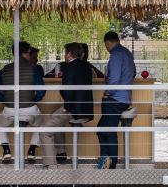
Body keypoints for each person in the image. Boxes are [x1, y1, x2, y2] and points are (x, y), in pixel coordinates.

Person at [39, 43, 95, 169]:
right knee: (55, 115)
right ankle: (61, 152)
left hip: (73, 109)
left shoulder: (69, 67)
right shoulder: (87, 66)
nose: (64, 55)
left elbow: (68, 89)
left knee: (44, 132)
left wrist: (67, 105)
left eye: (65, 53)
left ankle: (51, 167)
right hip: (86, 110)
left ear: (69, 54)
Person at [0, 41, 46, 163]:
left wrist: (6, 100)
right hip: (30, 109)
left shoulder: (4, 70)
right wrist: (34, 99)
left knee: (0, 125)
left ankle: (6, 150)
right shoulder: (34, 69)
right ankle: (32, 151)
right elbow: (41, 91)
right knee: (41, 125)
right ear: (25, 54)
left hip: (10, 109)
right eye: (29, 53)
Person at [96, 31, 136, 169]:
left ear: (107, 42)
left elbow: (114, 78)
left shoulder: (115, 54)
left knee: (109, 132)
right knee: (101, 129)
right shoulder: (127, 53)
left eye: (105, 45)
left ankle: (110, 167)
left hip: (114, 99)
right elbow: (134, 73)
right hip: (124, 99)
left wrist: (107, 93)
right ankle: (105, 161)